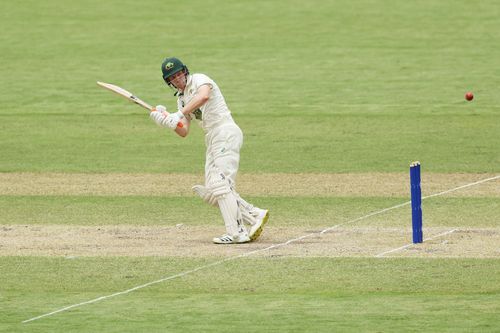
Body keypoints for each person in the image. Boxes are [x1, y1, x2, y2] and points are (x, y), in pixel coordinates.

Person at [149, 57, 269, 244]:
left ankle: (238, 233)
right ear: (169, 82)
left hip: (225, 131)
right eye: (173, 77)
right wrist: (166, 121)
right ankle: (254, 215)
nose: (178, 78)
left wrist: (177, 115)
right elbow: (183, 131)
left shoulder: (199, 80)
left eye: (180, 73)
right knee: (213, 191)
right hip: (212, 138)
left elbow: (203, 96)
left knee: (221, 184)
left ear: (185, 71)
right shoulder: (181, 100)